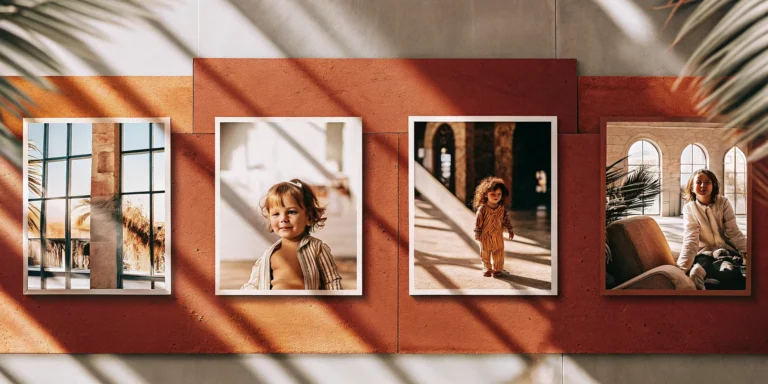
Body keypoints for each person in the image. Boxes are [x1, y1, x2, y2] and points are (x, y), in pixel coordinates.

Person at [241, 179, 343, 291]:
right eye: (276, 214)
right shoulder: (268, 256)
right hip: (275, 307)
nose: (283, 219)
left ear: (308, 217)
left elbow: (332, 281)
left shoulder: (317, 248)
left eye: (291, 212)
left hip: (307, 306)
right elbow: (252, 286)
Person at [678, 169, 747, 290]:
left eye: (707, 182)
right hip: (703, 254)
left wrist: (747, 252)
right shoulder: (689, 208)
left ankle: (714, 283)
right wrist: (681, 268)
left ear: (713, 185)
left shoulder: (723, 202)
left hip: (726, 252)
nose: (703, 185)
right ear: (692, 187)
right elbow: (691, 238)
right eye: (698, 182)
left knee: (729, 273)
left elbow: (733, 231)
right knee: (695, 274)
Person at [472, 176, 515, 277]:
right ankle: (487, 268)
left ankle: (498, 269)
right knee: (485, 253)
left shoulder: (502, 208)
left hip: (497, 235)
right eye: (493, 194)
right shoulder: (482, 209)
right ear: (486, 195)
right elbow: (478, 223)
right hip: (485, 235)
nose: (496, 196)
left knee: (499, 252)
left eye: (499, 194)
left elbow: (506, 220)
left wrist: (510, 229)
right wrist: (477, 235)